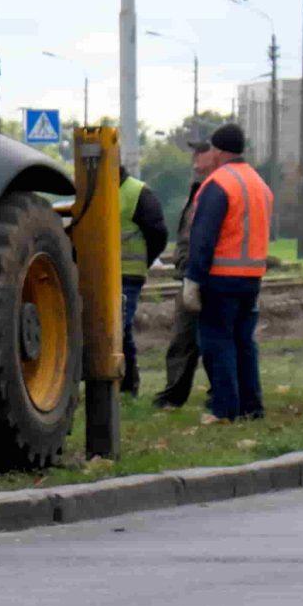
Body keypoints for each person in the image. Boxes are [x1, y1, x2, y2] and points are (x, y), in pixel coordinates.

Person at [182, 122, 273, 423]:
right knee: (244, 342)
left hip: (220, 277)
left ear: (219, 151)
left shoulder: (218, 183)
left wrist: (194, 277)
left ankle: (224, 409)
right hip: (252, 277)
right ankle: (252, 407)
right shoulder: (259, 184)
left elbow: (203, 236)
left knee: (217, 342)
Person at [153, 135, 223, 408]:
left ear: (215, 155)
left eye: (200, 154)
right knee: (183, 339)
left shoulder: (217, 188)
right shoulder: (199, 189)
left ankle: (220, 394)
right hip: (190, 273)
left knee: (214, 340)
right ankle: (173, 395)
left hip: (209, 275)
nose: (194, 161)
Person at [117, 169, 166, 396]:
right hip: (96, 274)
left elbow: (157, 233)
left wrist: (142, 262)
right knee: (118, 330)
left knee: (120, 326)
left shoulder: (138, 193)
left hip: (127, 274)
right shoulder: (91, 191)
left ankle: (127, 385)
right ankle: (126, 384)